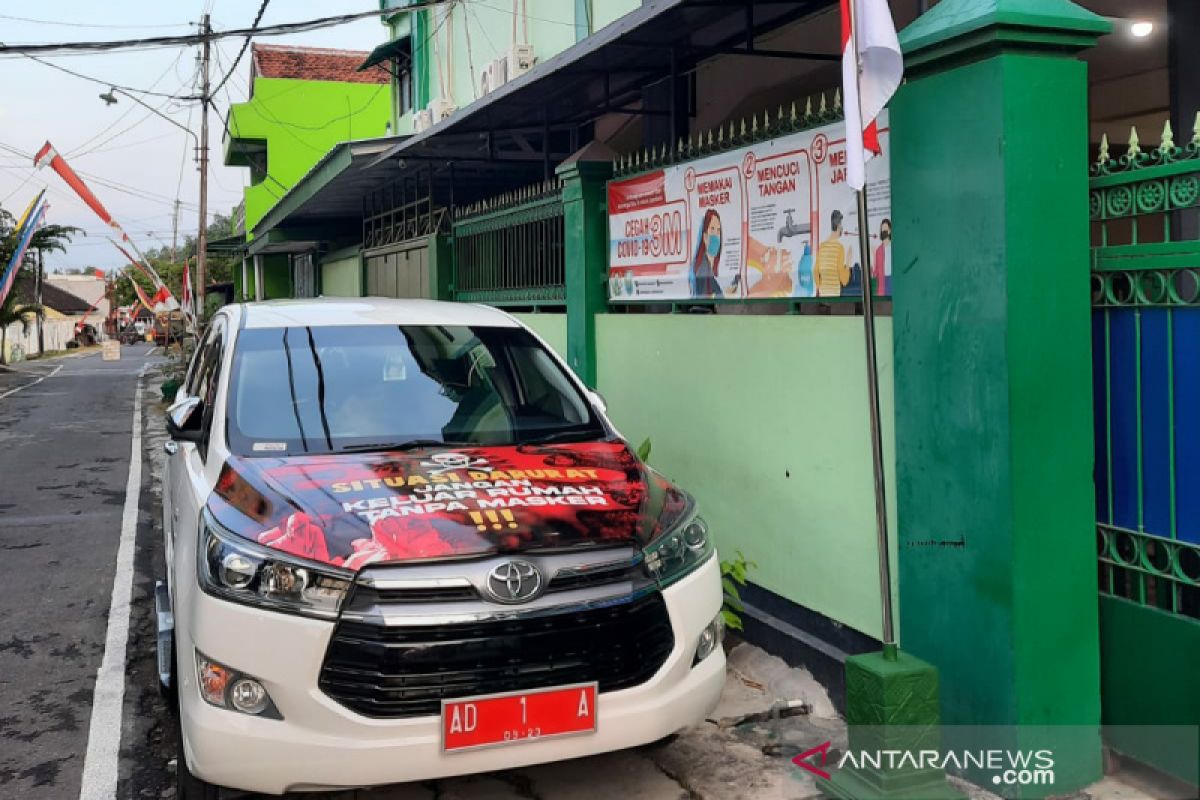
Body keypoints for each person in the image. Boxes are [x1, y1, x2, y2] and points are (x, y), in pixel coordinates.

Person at [814, 209, 850, 297]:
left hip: (823, 293)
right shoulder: (839, 247)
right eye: (841, 224)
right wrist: (848, 262)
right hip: (835, 294)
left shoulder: (822, 246)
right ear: (838, 225)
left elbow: (815, 271)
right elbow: (844, 280)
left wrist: (820, 286)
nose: (842, 227)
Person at [689, 209, 724, 298]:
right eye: (712, 229)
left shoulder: (709, 266)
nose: (716, 235)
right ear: (705, 236)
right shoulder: (702, 268)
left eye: (718, 231)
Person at [873, 218, 892, 296]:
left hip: (893, 279)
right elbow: (875, 273)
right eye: (882, 229)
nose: (884, 231)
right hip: (883, 282)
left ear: (890, 230)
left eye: (886, 229)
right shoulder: (879, 251)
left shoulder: (895, 247)